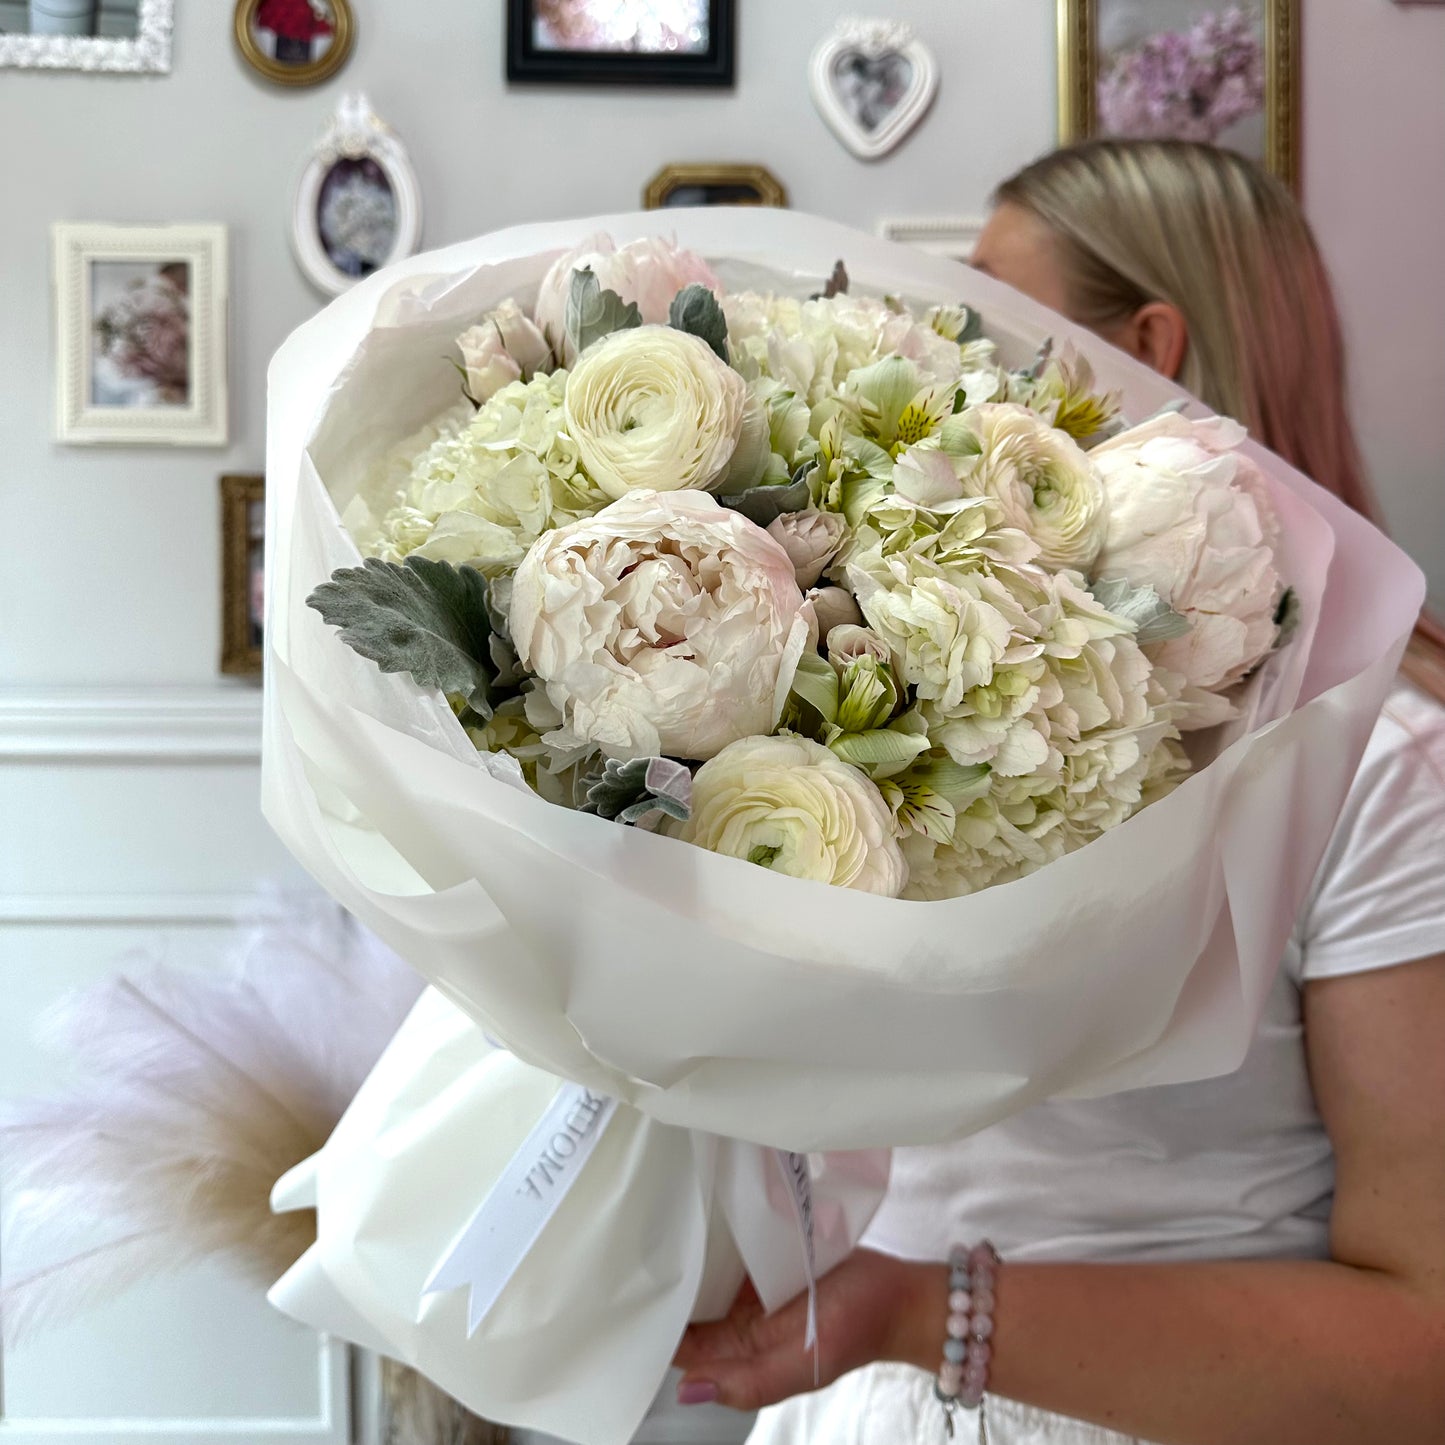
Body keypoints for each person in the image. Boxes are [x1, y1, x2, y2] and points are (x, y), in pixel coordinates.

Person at [673, 140, 1445, 1445]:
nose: (947, 358)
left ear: (1141, 344)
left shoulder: (1382, 761)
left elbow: (1420, 1353)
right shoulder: (899, 702)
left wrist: (925, 1314)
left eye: (988, 314)